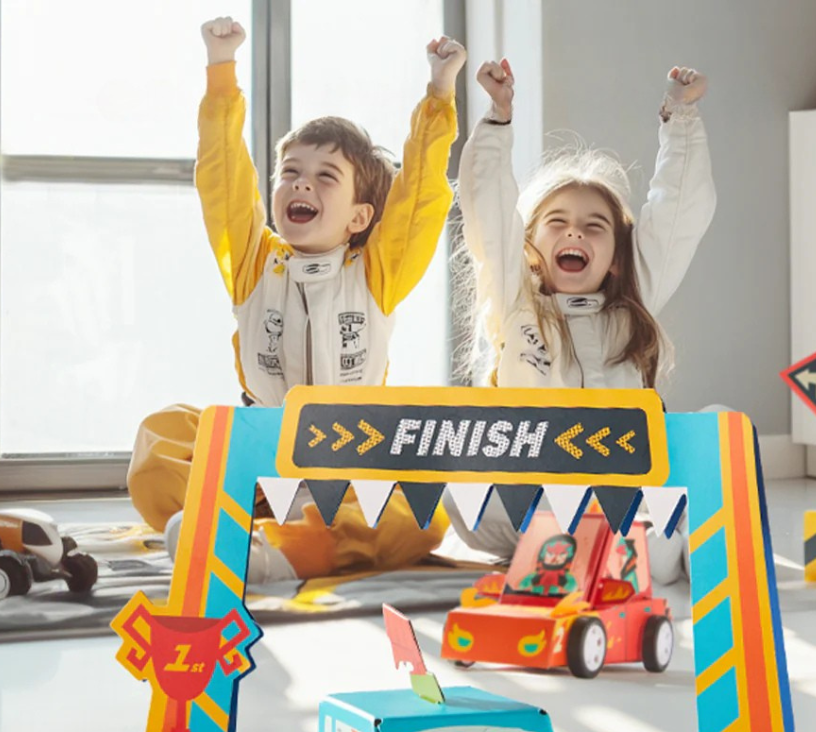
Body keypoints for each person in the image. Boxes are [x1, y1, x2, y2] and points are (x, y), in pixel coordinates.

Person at [127, 17, 466, 582]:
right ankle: (218, 526)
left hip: (351, 457)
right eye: (290, 172)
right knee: (161, 435)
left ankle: (287, 552)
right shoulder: (252, 262)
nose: (302, 183)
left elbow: (419, 200)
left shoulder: (378, 271)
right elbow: (223, 179)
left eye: (325, 176)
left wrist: (439, 94)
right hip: (262, 451)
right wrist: (221, 68)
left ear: (359, 216)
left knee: (424, 505)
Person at [447, 59, 716, 581]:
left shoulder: (631, 304)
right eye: (558, 223)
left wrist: (681, 119)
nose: (575, 234)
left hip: (626, 489)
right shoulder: (515, 304)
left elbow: (677, 216)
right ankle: (605, 550)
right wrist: (498, 119)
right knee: (459, 481)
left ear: (615, 258)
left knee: (718, 423)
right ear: (529, 247)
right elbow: (487, 211)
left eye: (594, 227)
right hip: (537, 490)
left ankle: (651, 543)